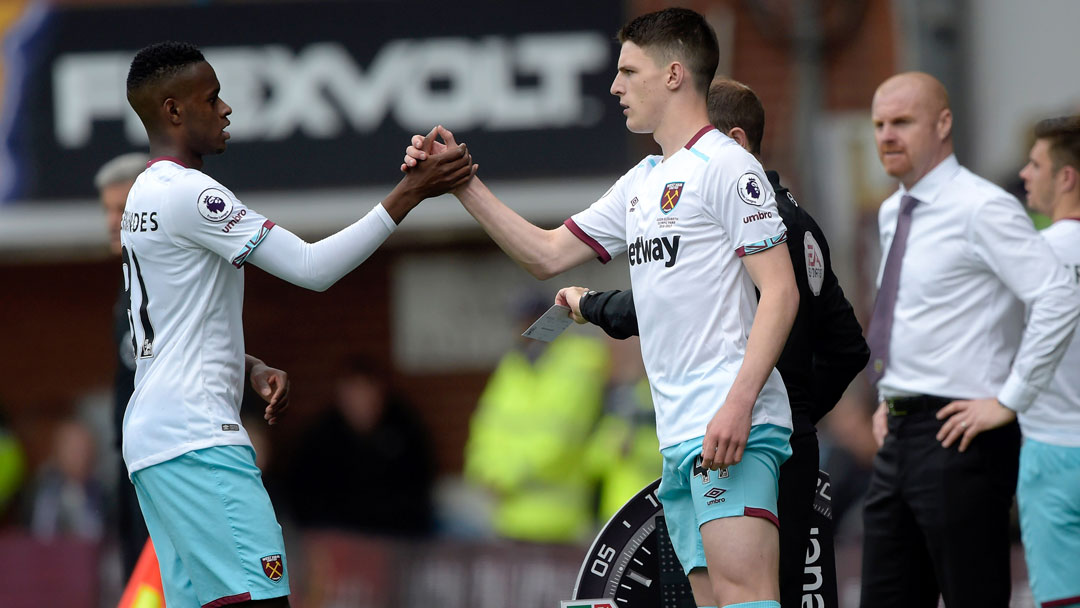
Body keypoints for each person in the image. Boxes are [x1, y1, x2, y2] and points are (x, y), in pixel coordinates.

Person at [405, 9, 798, 607]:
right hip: (680, 432)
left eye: (627, 71)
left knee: (747, 597)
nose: (615, 86)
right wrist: (461, 181)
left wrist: (738, 405)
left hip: (730, 426)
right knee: (716, 601)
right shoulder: (642, 180)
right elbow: (545, 253)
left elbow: (782, 290)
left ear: (672, 75)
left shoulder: (727, 165)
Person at [121, 41, 474, 608]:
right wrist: (411, 192)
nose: (226, 109)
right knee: (265, 601)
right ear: (173, 111)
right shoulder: (190, 193)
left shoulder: (144, 192)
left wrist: (248, 365)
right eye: (212, 98)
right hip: (199, 440)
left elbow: (170, 326)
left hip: (153, 443)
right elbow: (312, 268)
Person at [556, 78, 868, 608]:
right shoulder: (803, 225)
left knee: (746, 597)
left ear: (737, 144)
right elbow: (848, 346)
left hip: (740, 434)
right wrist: (798, 415)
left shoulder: (742, 218)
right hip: (774, 435)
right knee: (768, 593)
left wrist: (592, 305)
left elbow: (669, 303)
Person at [861, 72, 1080, 608]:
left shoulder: (982, 206)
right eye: (879, 124)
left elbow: (1058, 295)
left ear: (943, 123)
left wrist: (1010, 399)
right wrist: (891, 396)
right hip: (901, 431)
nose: (887, 135)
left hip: (962, 434)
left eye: (903, 122)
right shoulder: (893, 212)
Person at [463, 292, 610, 543]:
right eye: (519, 322)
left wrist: (503, 477)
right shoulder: (513, 366)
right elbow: (486, 426)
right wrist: (483, 471)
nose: (523, 330)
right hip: (508, 520)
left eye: (529, 321)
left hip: (560, 523)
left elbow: (561, 439)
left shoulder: (579, 363)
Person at [1015, 115, 1080, 608]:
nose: (1024, 173)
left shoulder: (1032, 259)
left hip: (1053, 450)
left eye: (1036, 164)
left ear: (1066, 177)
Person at [288, 356, 434, 537]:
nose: (360, 400)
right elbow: (306, 499)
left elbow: (419, 491)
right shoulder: (321, 437)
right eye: (353, 390)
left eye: (366, 389)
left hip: (396, 539)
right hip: (341, 542)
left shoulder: (405, 430)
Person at [95, 151, 150, 578]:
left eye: (122, 208)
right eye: (107, 210)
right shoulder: (128, 279)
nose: (113, 221)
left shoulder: (168, 276)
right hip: (132, 461)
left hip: (165, 457)